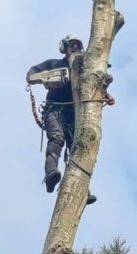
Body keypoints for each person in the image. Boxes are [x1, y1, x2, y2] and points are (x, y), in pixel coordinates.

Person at [27, 34, 114, 201]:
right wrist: (44, 80)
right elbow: (32, 73)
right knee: (57, 138)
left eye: (78, 45)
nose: (75, 47)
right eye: (72, 45)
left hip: (74, 115)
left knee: (80, 147)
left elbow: (92, 85)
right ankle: (51, 174)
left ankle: (83, 190)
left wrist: (106, 94)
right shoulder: (55, 64)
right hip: (55, 110)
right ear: (65, 48)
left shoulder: (84, 70)